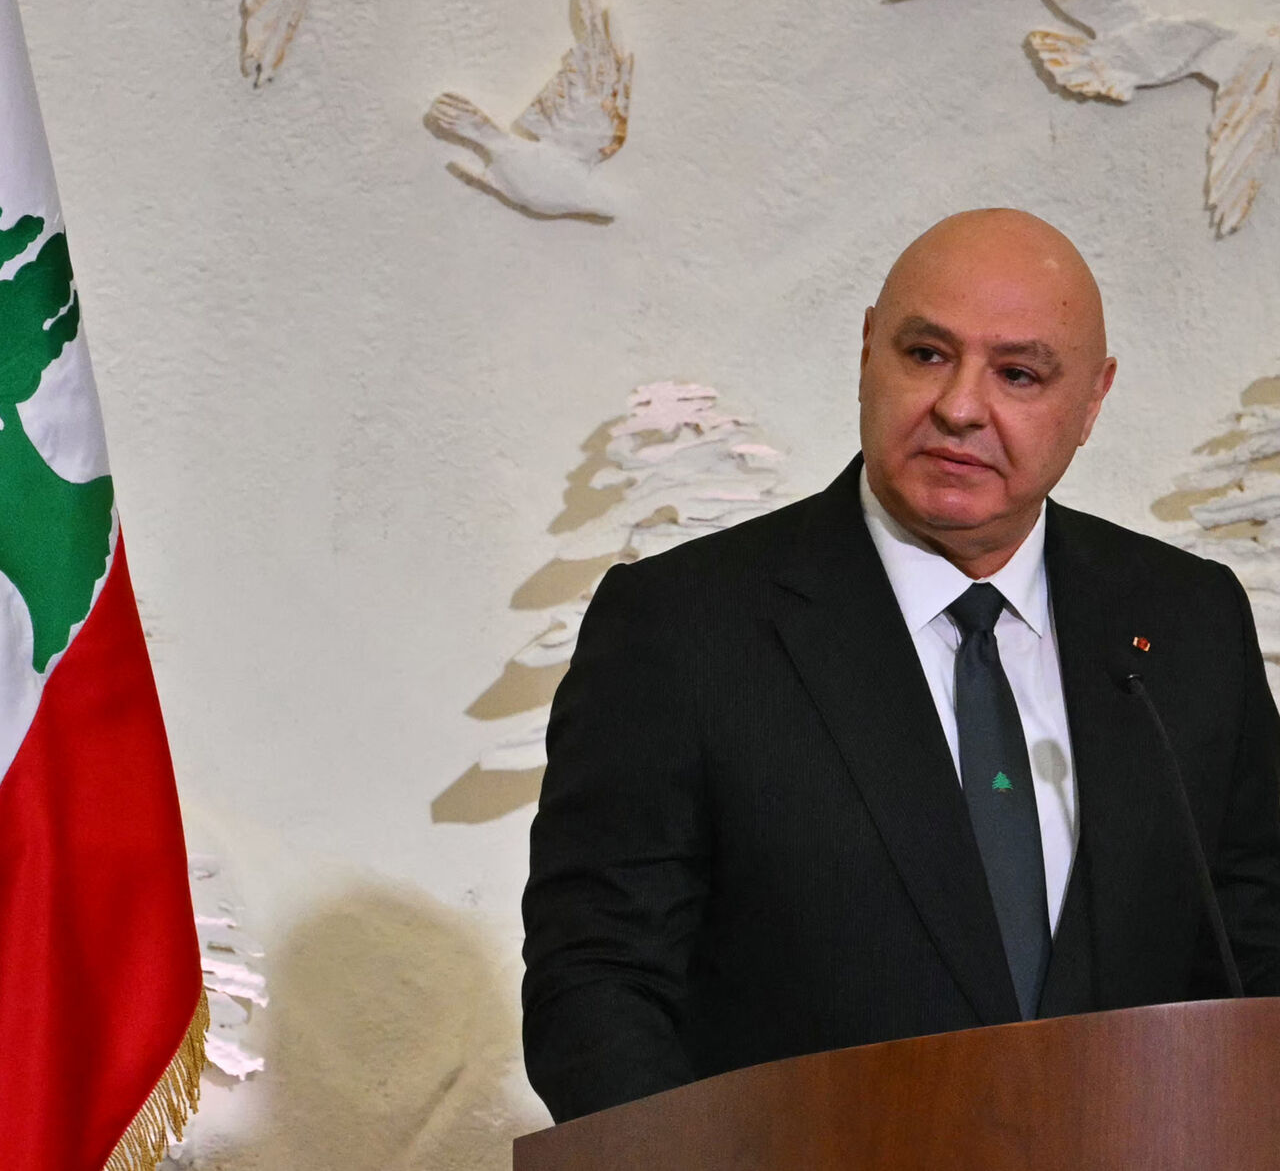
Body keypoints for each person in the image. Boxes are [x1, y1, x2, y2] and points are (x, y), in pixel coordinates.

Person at [521, 209, 1280, 1124]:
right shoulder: (686, 629)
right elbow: (599, 987)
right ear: (868, 349)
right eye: (926, 354)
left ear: (1092, 401)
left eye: (1018, 373)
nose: (961, 407)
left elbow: (1256, 950)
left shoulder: (1186, 622)